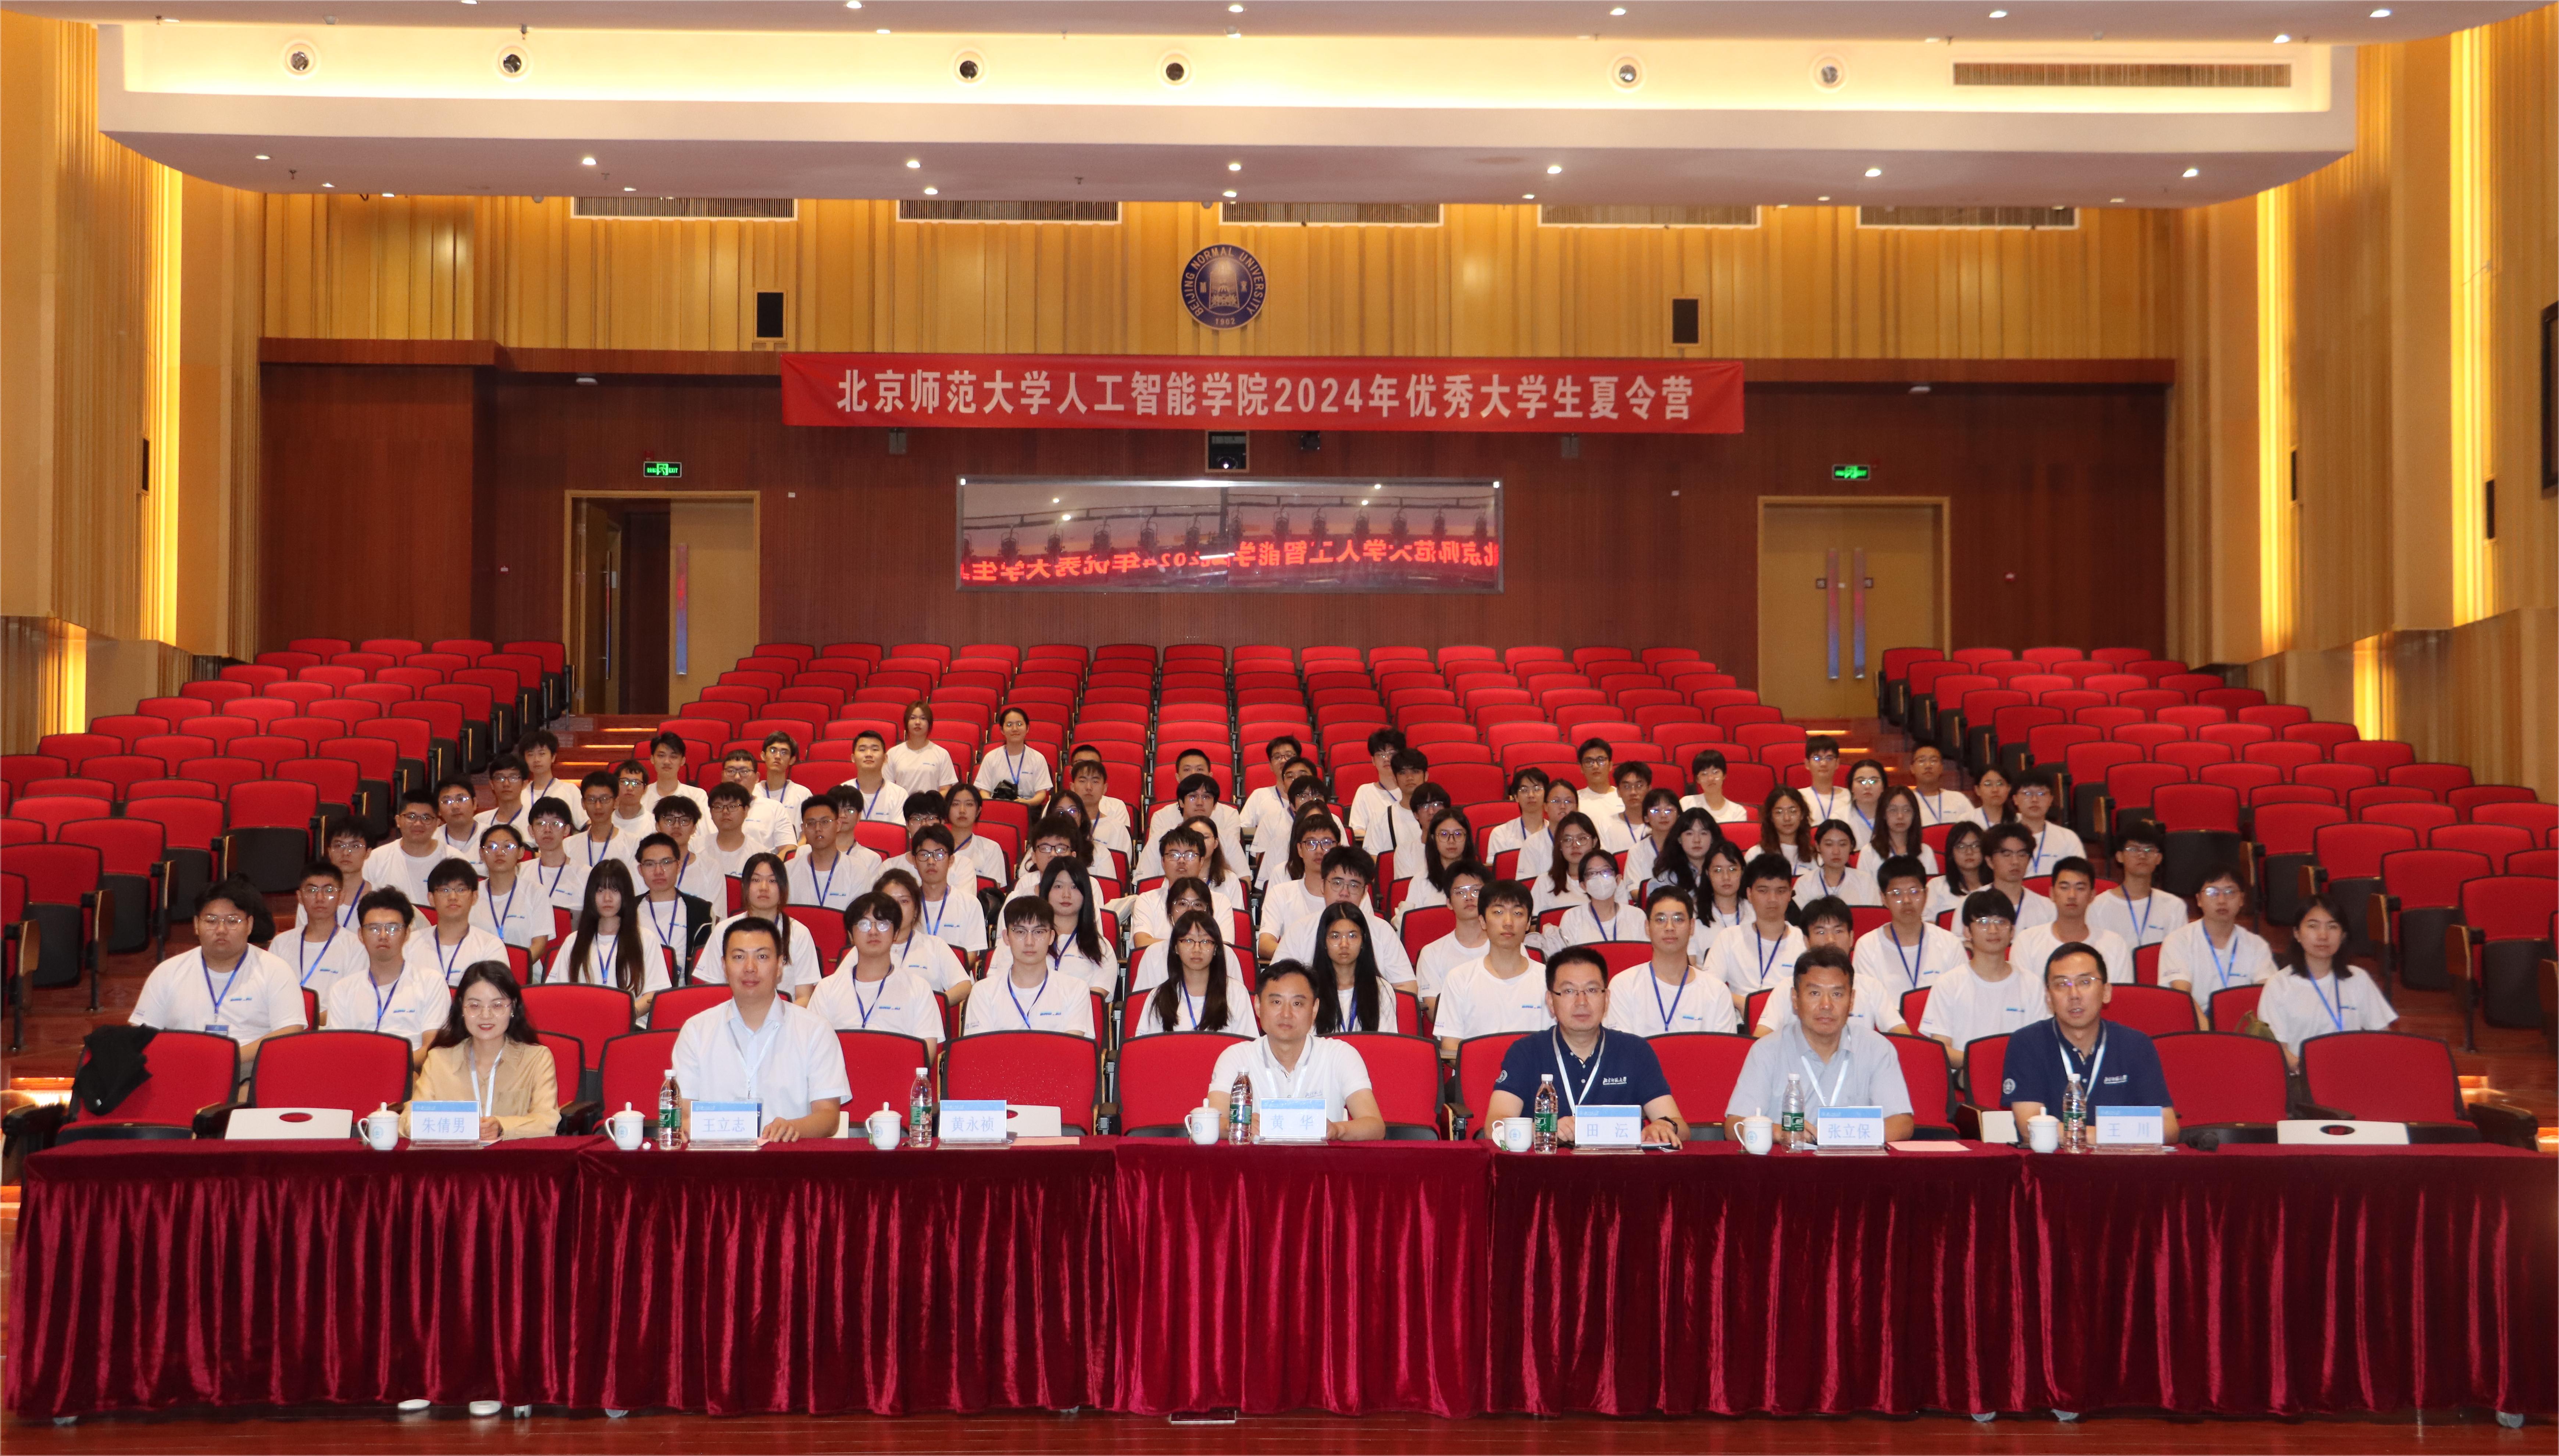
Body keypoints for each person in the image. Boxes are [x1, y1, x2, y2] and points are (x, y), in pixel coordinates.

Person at [671, 916, 850, 1143]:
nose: (750, 968)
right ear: (724, 966)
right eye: (739, 957)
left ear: (780, 965)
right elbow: (685, 1112)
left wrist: (794, 1127)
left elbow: (829, 1117)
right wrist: (687, 1124)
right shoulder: (696, 1030)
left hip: (787, 1157)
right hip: (717, 1159)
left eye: (762, 957)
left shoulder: (816, 1031)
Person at [1486, 947, 1687, 1144]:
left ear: (1606, 999)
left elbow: (1680, 1126)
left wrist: (1664, 1127)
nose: (1581, 1002)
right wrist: (1544, 1129)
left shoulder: (1635, 1051)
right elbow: (1494, 1126)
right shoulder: (1526, 1052)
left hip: (1618, 1164)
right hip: (1547, 1164)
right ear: (1551, 1001)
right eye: (1569, 991)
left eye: (1592, 990)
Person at [1721, 947, 1916, 1143]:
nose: (1826, 1005)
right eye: (1815, 993)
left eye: (1837, 994)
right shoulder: (1767, 1051)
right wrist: (1782, 1133)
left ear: (1852, 1001)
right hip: (1789, 1160)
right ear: (1795, 999)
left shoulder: (1877, 1049)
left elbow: (1902, 1123)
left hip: (1854, 1161)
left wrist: (1841, 1135)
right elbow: (1735, 1126)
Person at [2003, 944, 2181, 1144]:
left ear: (2106, 992)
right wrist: (2115, 1135)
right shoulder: (2027, 1043)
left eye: (2085, 982)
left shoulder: (2136, 1045)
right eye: (2062, 984)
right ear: (2049, 998)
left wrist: (2088, 1136)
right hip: (2053, 1162)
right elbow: (2030, 1128)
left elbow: (2168, 1129)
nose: (2074, 995)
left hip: (2120, 1162)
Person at [132, 880, 308, 1071]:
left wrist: (228, 1058)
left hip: (250, 1068)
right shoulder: (168, 972)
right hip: (185, 1067)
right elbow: (141, 1033)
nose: (221, 930)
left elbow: (290, 1031)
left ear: (249, 925)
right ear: (196, 925)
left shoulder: (276, 970)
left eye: (232, 921)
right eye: (211, 920)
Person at [1205, 961, 1386, 1141]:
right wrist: (1239, 1124)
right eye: (1277, 1002)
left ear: (1315, 1009)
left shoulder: (1340, 1055)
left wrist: (1338, 1130)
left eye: (1298, 1004)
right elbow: (1214, 1122)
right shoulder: (1235, 1057)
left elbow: (1375, 1126)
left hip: (1322, 1160)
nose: (1286, 1014)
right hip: (1255, 1160)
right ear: (1258, 1005)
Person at [400, 961, 560, 1141]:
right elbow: (408, 1121)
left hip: (514, 1157)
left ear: (513, 1007)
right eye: (475, 1006)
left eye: (497, 1005)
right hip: (455, 1157)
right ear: (462, 1008)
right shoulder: (439, 1060)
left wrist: (503, 1127)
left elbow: (548, 1122)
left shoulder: (537, 1059)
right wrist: (457, 1126)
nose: (486, 1015)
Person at [2256, 895, 2396, 1065]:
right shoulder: (2279, 985)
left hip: (2353, 1071)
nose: (2323, 936)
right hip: (2301, 1074)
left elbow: (2384, 1037)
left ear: (2343, 936)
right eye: (2313, 926)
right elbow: (2278, 1049)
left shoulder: (2358, 979)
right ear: (2297, 934)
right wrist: (2313, 1072)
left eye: (2332, 927)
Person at [1915, 891, 2048, 1070]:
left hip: (2019, 1074)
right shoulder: (1948, 984)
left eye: (2001, 922)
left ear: (2012, 931)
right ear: (1967, 932)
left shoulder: (2032, 984)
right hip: (1966, 1074)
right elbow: (1942, 1049)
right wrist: (1984, 1064)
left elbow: (2039, 1046)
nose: (1993, 930)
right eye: (1983, 922)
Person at [325, 889, 453, 1066]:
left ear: (407, 934)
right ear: (361, 935)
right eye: (374, 928)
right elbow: (338, 1051)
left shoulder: (431, 982)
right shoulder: (342, 990)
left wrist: (392, 1069)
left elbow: (432, 1049)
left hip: (412, 1072)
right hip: (358, 1071)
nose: (383, 936)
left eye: (393, 929)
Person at [807, 891, 945, 1049]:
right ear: (851, 935)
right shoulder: (827, 989)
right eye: (864, 924)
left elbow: (926, 1052)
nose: (873, 931)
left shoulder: (919, 989)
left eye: (883, 924)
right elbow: (813, 1047)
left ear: (896, 933)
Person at [1431, 880, 1553, 1058]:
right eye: (1498, 912)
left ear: (1528, 923)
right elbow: (1451, 1046)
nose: (1508, 922)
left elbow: (1557, 1045)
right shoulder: (1459, 978)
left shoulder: (1549, 980)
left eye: (1518, 913)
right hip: (1476, 1073)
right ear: (1483, 921)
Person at [1755, 897, 1905, 1038]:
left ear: (1852, 938)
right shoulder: (1787, 988)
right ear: (1806, 941)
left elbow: (1904, 1037)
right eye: (1821, 932)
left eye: (1838, 931)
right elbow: (1760, 1042)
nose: (1831, 940)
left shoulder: (1871, 987)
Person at [1271, 847, 1418, 990]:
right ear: (1323, 886)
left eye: (1354, 886)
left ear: (1365, 892)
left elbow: (1407, 986)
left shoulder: (1383, 931)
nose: (1345, 893)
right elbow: (1275, 983)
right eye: (1337, 883)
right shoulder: (1300, 930)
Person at [1604, 886, 1738, 1035]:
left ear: (1692, 927)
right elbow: (1622, 1048)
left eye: (1678, 919)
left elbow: (1722, 1050)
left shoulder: (1717, 992)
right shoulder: (1623, 986)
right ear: (1647, 927)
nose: (1670, 927)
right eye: (1660, 920)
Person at [694, 852, 824, 1000]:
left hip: (784, 1014)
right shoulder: (723, 930)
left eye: (772, 881)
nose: (764, 887)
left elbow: (804, 998)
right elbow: (713, 995)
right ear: (745, 886)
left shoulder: (800, 934)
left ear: (783, 888)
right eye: (756, 880)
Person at [545, 859, 671, 1012]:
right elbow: (557, 992)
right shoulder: (574, 941)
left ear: (626, 895)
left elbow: (653, 994)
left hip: (631, 1022)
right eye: (600, 891)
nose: (607, 898)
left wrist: (625, 1016)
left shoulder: (646, 940)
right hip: (583, 1021)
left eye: (615, 890)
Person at [961, 898, 1098, 1037]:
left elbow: (1071, 1047)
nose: (1029, 942)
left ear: (1051, 937)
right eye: (1020, 932)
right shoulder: (983, 992)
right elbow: (982, 1048)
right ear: (1006, 937)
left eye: (1039, 932)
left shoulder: (1075, 990)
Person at [2157, 866, 2273, 1016]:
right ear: (2199, 900)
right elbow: (2183, 995)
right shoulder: (2179, 940)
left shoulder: (2257, 945)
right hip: (2195, 1021)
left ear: (2242, 900)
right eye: (2212, 892)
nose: (2222, 900)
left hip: (2243, 1021)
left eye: (2230, 892)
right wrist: (2207, 1028)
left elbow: (2266, 994)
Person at [1854, 855, 1967, 1000]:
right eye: (1897, 894)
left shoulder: (1950, 943)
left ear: (1926, 894)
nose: (1907, 900)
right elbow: (1867, 1003)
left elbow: (1961, 998)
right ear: (1883, 899)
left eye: (1914, 892)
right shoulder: (1867, 947)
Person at [1703, 854, 1805, 1013]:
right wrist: (1742, 1002)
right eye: (1763, 891)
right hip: (1740, 1020)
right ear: (1750, 894)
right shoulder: (1729, 938)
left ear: (1790, 894)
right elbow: (1708, 986)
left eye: (1781, 891)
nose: (1772, 899)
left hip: (1789, 1021)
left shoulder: (1804, 942)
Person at [2008, 858, 2133, 985]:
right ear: (2052, 894)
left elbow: (2120, 996)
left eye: (2080, 888)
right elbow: (2020, 994)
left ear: (2092, 895)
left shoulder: (2115, 945)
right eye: (2064, 888)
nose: (2072, 895)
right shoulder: (2027, 942)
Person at [1131, 909, 1255, 1037]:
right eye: (1188, 941)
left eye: (1206, 942)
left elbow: (1248, 1046)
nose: (1197, 949)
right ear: (1176, 948)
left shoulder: (1237, 994)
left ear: (1216, 949)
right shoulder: (1158, 997)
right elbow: (1145, 1047)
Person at [1127, 878, 1251, 997]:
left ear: (1209, 912)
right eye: (1182, 904)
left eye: (1198, 905)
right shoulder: (1153, 954)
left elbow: (1236, 1000)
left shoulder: (1227, 954)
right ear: (1170, 912)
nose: (1190, 910)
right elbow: (1143, 1002)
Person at [407, 859, 512, 987]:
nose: (453, 897)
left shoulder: (490, 947)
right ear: (431, 898)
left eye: (461, 890)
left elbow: (497, 994)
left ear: (474, 897)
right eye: (445, 890)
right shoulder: (409, 944)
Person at [2088, 822, 2187, 951]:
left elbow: (2178, 954)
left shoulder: (2174, 906)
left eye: (2149, 850)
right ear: (2119, 856)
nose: (2142, 856)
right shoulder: (2098, 906)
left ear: (2159, 858)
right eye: (2134, 849)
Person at [1256, 811, 1342, 957]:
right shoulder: (1280, 893)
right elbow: (1265, 945)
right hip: (1296, 969)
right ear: (1300, 850)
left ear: (1338, 848)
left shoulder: (1351, 893)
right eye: (1311, 843)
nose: (1319, 850)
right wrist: (1305, 959)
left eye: (1327, 843)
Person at [1412, 861, 1494, 1011]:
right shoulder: (1431, 953)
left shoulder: (1509, 948)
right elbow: (1433, 1011)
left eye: (1476, 891)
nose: (1469, 897)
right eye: (1460, 892)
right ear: (1449, 903)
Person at [632, 833, 717, 977]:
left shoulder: (701, 911)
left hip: (685, 989)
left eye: (666, 863)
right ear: (640, 870)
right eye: (650, 864)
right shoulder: (628, 910)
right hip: (639, 987)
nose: (658, 871)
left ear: (678, 866)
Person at [1310, 901, 1399, 1034]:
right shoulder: (1309, 989)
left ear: (1363, 941)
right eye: (1335, 937)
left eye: (1352, 936)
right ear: (1324, 942)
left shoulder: (1382, 989)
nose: (1344, 944)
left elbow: (1386, 1042)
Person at [786, 790, 880, 914]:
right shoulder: (788, 871)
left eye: (825, 822)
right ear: (803, 829)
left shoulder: (858, 872)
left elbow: (859, 917)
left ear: (838, 825)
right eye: (811, 823)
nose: (818, 829)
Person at [903, 823, 988, 958]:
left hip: (957, 972)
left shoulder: (970, 904)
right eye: (924, 855)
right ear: (914, 861)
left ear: (951, 860)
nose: (931, 861)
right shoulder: (905, 905)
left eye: (939, 854)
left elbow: (971, 956)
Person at [283, 859, 367, 995]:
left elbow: (353, 999)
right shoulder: (281, 943)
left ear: (341, 897)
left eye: (329, 891)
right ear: (300, 897)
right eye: (312, 890)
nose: (320, 898)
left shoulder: (356, 947)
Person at [365, 787, 456, 904]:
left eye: (426, 818)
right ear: (398, 821)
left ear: (437, 824)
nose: (418, 824)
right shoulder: (375, 859)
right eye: (411, 817)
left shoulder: (454, 860)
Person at [469, 825, 549, 956]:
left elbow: (539, 945)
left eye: (508, 847)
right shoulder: (470, 894)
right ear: (482, 854)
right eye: (492, 847)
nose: (500, 853)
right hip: (479, 967)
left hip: (524, 967)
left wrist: (517, 966)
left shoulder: (536, 892)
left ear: (521, 852)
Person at [1546, 847, 1645, 953]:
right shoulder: (1572, 918)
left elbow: (1645, 955)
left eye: (1606, 872)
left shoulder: (1637, 916)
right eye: (1592, 873)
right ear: (1583, 886)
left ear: (1618, 880)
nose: (1600, 878)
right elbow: (1568, 959)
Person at [291, 820, 374, 933]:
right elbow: (302, 938)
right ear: (329, 852)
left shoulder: (380, 897)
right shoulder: (313, 897)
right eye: (339, 846)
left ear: (368, 852)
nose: (346, 853)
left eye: (355, 846)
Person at [1236, 734, 1305, 865]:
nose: (1284, 760)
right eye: (1277, 757)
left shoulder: (1312, 798)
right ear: (1271, 766)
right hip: (1272, 865)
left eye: (1289, 755)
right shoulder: (1259, 796)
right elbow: (1242, 831)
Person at [972, 706, 1054, 812]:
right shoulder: (991, 757)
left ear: (1028, 728)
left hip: (1029, 809)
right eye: (1009, 725)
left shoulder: (1038, 758)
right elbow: (984, 791)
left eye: (1019, 724)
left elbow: (1042, 794)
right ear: (1002, 730)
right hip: (997, 808)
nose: (1015, 729)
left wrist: (1026, 803)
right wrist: (995, 805)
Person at [647, 795, 724, 903]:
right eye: (669, 820)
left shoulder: (711, 868)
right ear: (658, 826)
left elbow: (714, 912)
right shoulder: (645, 868)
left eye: (684, 821)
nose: (677, 826)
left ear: (694, 828)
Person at [2009, 768, 2085, 877]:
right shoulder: (2004, 838)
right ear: (2015, 799)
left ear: (2051, 800)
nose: (2035, 799)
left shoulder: (2068, 838)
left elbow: (2079, 876)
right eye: (2027, 793)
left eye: (2041, 794)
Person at [1980, 824, 2059, 929]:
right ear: (1990, 861)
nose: (2015, 862)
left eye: (2022, 855)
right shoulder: (1970, 903)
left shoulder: (2048, 908)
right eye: (2007, 855)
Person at [717, 750, 793, 854]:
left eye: (744, 772)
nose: (737, 777)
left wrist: (769, 865)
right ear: (722, 776)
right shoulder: (709, 809)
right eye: (731, 771)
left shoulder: (774, 808)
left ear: (757, 778)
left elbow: (789, 848)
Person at [1530, 810, 1605, 916]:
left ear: (1594, 842)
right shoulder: (1545, 883)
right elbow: (1533, 923)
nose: (1575, 845)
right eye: (1568, 840)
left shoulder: (1607, 879)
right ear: (1560, 845)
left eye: (1582, 839)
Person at [1346, 728, 1409, 851]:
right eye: (1381, 754)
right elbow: (1358, 831)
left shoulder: (1410, 791)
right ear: (1373, 761)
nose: (1386, 759)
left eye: (1392, 754)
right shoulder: (1365, 792)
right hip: (1377, 853)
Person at [1793, 820, 1881, 908]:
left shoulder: (1865, 882)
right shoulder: (1805, 884)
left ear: (1851, 847)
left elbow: (1873, 915)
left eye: (1843, 844)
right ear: (1818, 847)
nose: (1836, 852)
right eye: (1829, 844)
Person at [1640, 805, 1720, 902]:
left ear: (1713, 838)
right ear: (1679, 839)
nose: (1697, 840)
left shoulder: (1725, 872)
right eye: (1689, 834)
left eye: (1704, 833)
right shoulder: (1666, 879)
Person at [940, 783, 1012, 889]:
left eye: (969, 804)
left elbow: (991, 894)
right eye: (956, 804)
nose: (962, 810)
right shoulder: (936, 847)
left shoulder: (991, 849)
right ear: (947, 809)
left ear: (978, 811)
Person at [524, 796, 587, 914]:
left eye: (556, 823)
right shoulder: (520, 872)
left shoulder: (585, 875)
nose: (548, 830)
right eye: (541, 823)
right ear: (531, 831)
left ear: (567, 830)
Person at [1857, 787, 1939, 877]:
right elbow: (1864, 886)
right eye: (1893, 810)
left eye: (1907, 810)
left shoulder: (1925, 852)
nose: (1900, 816)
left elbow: (1930, 884)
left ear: (1915, 815)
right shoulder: (1869, 852)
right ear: (1883, 814)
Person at [1481, 768, 1552, 870]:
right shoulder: (1501, 834)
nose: (1531, 795)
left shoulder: (1557, 833)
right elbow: (1499, 873)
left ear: (1546, 795)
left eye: (1537, 789)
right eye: (1524, 790)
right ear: (1516, 797)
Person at [1926, 821, 1996, 919]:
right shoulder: (1937, 886)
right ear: (1952, 853)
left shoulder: (1997, 885)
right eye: (1961, 847)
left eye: (1976, 846)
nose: (1969, 852)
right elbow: (1927, 924)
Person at [638, 731, 711, 823]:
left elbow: (704, 830)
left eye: (673, 757)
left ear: (683, 761)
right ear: (652, 759)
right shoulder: (641, 795)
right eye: (661, 756)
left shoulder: (697, 796)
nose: (667, 762)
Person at [574, 770, 641, 872]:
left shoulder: (633, 844)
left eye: (605, 799)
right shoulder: (568, 846)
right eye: (591, 799)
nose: (598, 806)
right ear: (583, 803)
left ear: (616, 802)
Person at [751, 730, 813, 840]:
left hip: (794, 849)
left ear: (792, 760)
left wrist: (793, 850)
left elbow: (808, 834)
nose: (778, 756)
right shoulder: (751, 792)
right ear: (763, 756)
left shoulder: (804, 794)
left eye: (784, 753)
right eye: (773, 751)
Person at [517, 729, 583, 829]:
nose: (536, 760)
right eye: (531, 755)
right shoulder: (519, 794)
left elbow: (585, 824)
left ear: (553, 757)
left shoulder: (570, 790)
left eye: (542, 754)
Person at [840, 729, 910, 824]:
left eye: (875, 750)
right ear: (853, 758)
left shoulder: (899, 794)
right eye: (862, 750)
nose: (869, 754)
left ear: (885, 758)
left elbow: (898, 831)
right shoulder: (841, 793)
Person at [699, 781, 763, 883]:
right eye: (719, 807)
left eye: (733, 806)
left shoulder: (760, 855)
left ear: (746, 811)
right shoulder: (695, 848)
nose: (725, 812)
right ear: (711, 813)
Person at [1903, 743, 1976, 828]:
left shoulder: (1958, 799)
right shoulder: (1906, 800)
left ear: (1942, 768)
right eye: (1922, 761)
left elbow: (1973, 829)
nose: (1928, 766)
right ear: (1912, 769)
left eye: (1934, 761)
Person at [1621, 786, 1682, 883]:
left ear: (1679, 815)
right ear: (1646, 817)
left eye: (1669, 810)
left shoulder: (1688, 847)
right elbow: (1635, 889)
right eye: (1655, 811)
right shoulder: (1636, 851)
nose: (1663, 815)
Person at [1689, 840, 1749, 936]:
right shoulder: (1694, 913)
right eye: (1718, 871)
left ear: (1742, 872)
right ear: (1708, 874)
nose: (1726, 877)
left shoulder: (1756, 910)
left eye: (1733, 870)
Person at [1679, 749, 1753, 826]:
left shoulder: (1738, 812)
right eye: (1704, 774)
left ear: (1724, 775)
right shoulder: (1686, 804)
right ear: (1697, 779)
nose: (1710, 778)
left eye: (1715, 772)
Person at [1757, 786, 1816, 869]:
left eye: (1793, 811)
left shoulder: (1815, 856)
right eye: (1779, 812)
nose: (1787, 818)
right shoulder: (1757, 854)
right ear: (1771, 817)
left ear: (1802, 814)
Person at [1798, 736, 1848, 827]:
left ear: (1837, 763)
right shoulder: (1798, 797)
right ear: (1807, 764)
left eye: (1829, 758)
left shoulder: (1849, 796)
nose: (1824, 764)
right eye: (1817, 759)